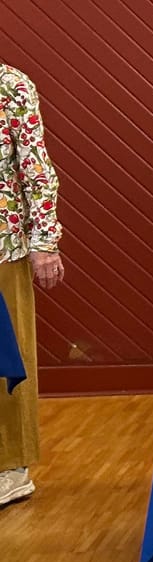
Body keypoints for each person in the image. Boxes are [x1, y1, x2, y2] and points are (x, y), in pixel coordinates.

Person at [0, 62, 63, 509]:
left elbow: (36, 169)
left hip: (3, 247)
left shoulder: (11, 85)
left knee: (7, 358)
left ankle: (12, 467)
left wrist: (44, 242)